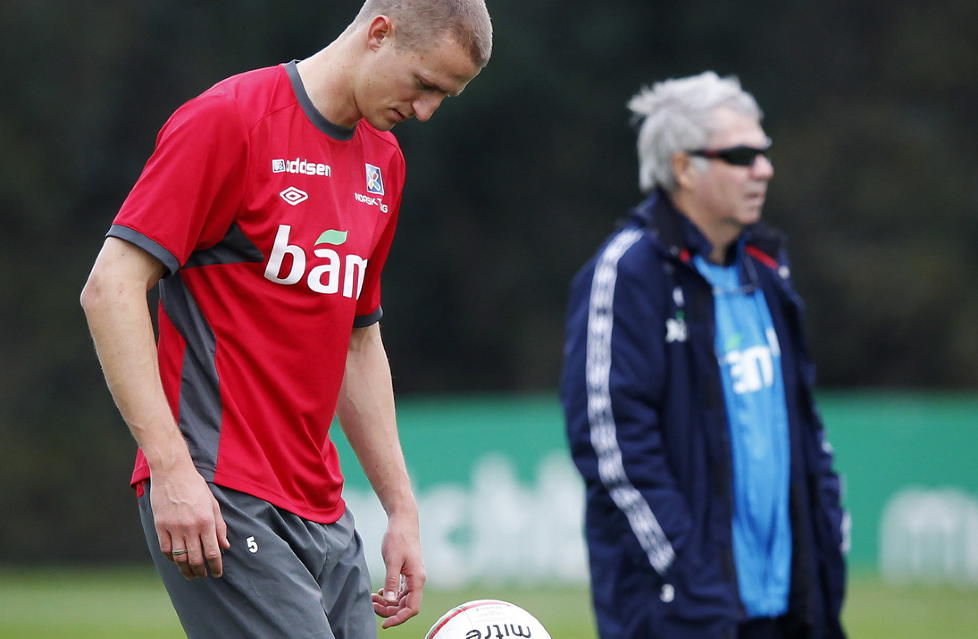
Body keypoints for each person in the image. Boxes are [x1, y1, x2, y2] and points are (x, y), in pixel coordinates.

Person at [79, 1, 491, 637]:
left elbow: (359, 343)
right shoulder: (231, 120)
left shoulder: (384, 162)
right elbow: (110, 288)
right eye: (425, 84)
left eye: (447, 96)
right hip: (221, 490)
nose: (427, 110)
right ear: (379, 33)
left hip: (323, 506)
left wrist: (400, 510)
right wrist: (170, 468)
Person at [560, 72, 847, 639]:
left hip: (793, 602)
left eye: (762, 153)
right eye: (741, 155)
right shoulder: (628, 274)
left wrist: (829, 532)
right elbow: (612, 445)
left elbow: (806, 426)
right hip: (684, 610)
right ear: (684, 167)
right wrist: (690, 576)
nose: (762, 169)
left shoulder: (767, 270)